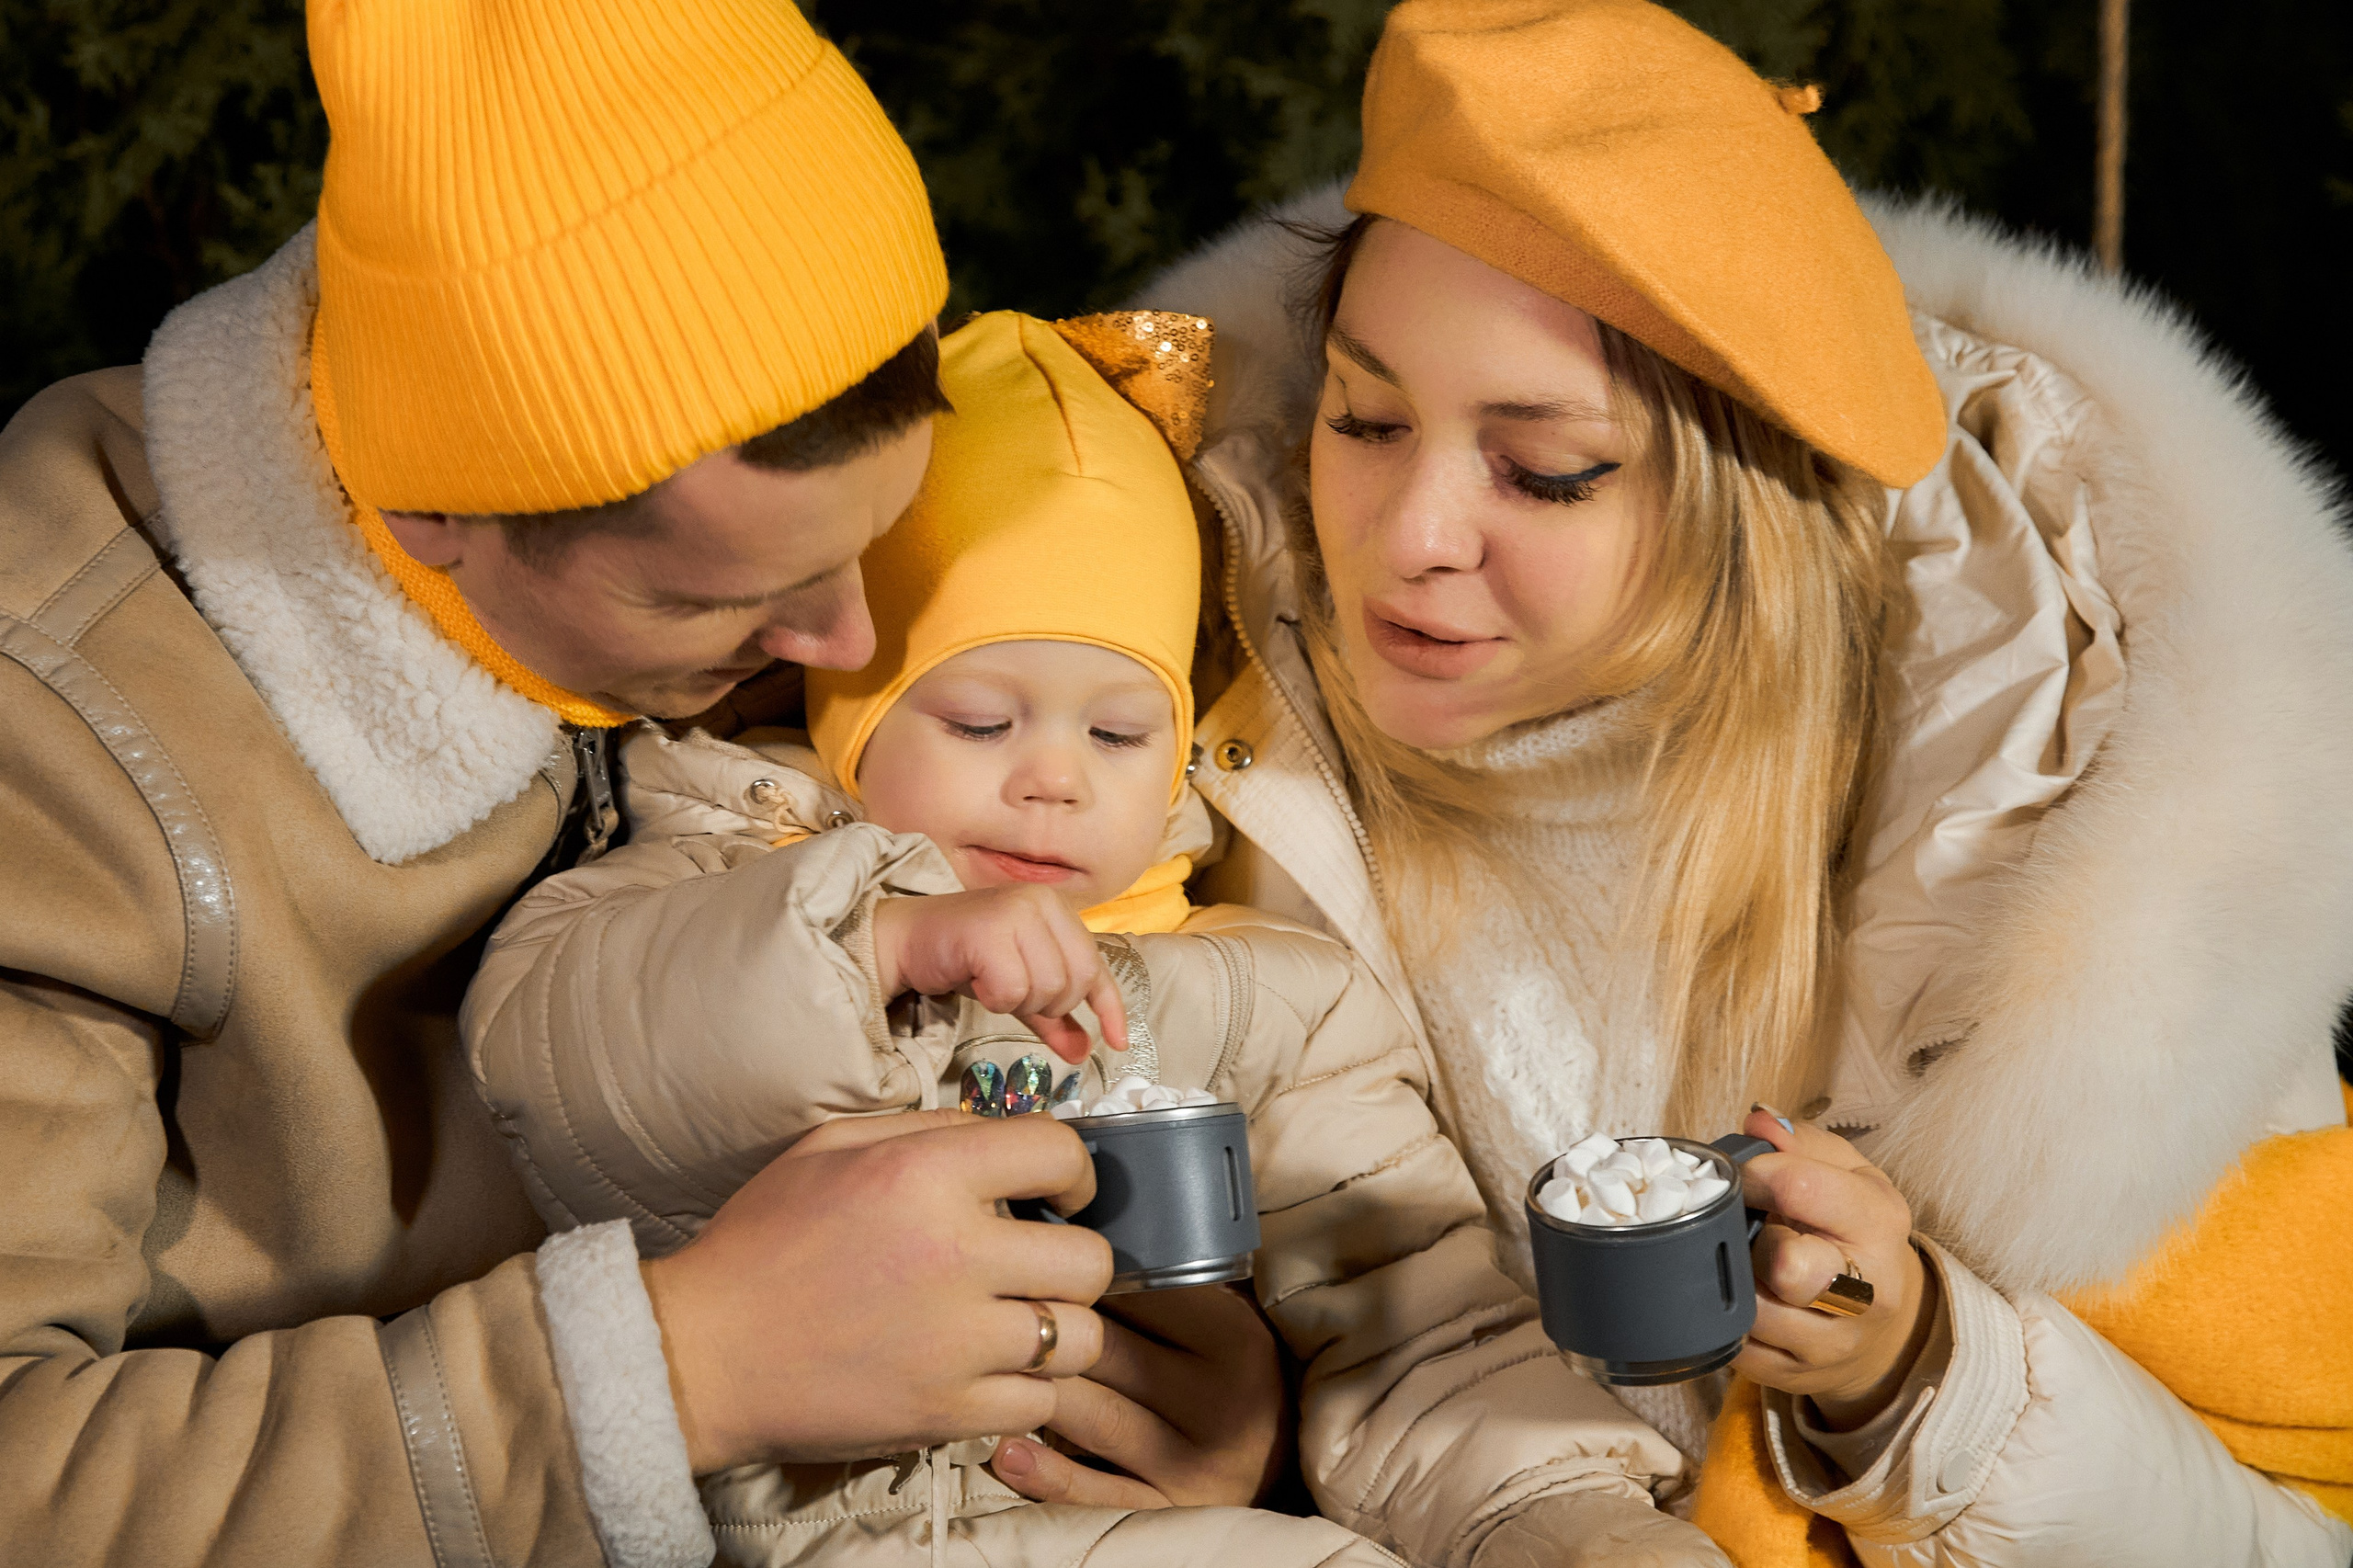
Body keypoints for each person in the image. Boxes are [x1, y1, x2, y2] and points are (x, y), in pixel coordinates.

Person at [0, 6, 1269, 1564]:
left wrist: (1166, 1382)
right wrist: (677, 1371)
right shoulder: (51, 745)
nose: (848, 644)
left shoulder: (782, 565)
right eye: (718, 606)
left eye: (870, 544)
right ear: (435, 511)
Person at [1124, 0, 2353, 1561]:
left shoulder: (2095, 852)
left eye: (1544, 465)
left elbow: (2290, 1530)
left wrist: (1924, 1377)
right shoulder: (1159, 749)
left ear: (1743, 498)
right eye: (1364, 417)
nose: (1407, 532)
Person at [463, 307, 1735, 1566]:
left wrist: (1564, 1519)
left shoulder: (1273, 998)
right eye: (977, 721)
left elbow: (1415, 1318)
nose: (1053, 782)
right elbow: (555, 1065)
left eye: (1117, 733)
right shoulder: (709, 878)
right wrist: (880, 942)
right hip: (782, 1517)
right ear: (847, 703)